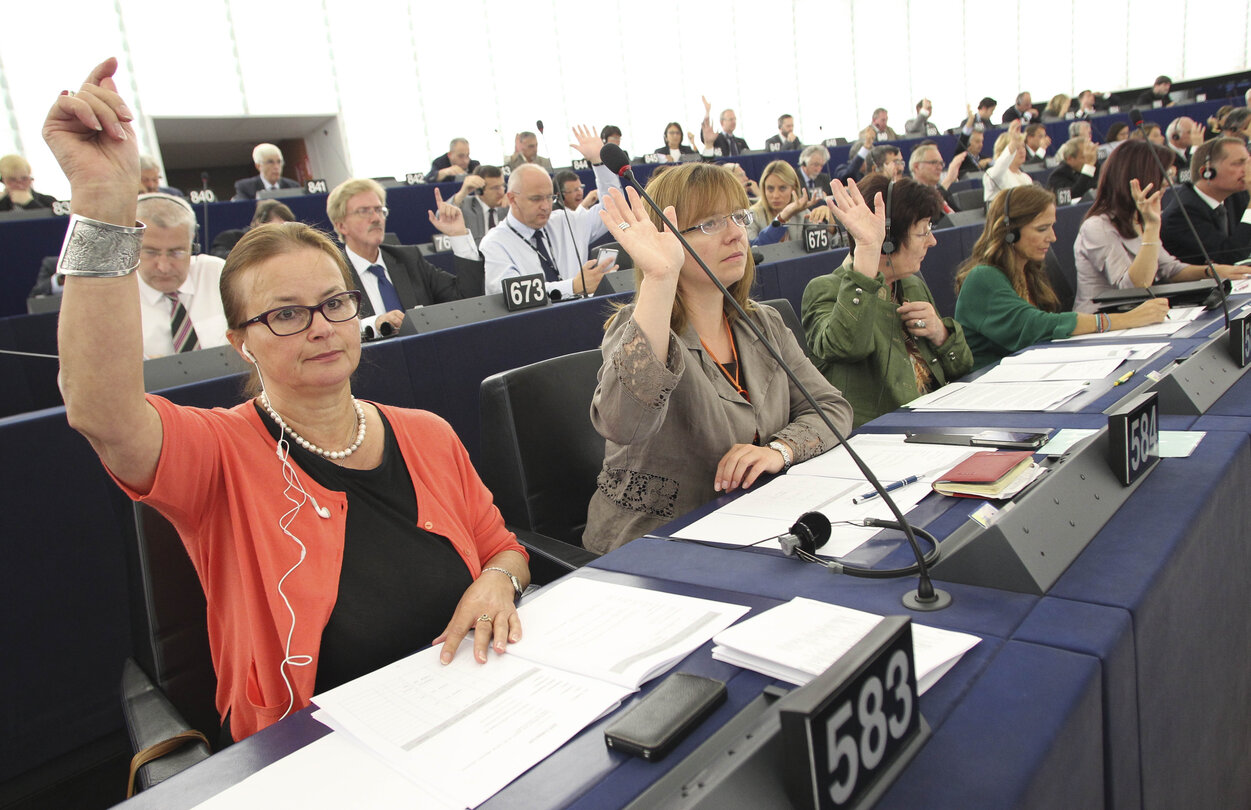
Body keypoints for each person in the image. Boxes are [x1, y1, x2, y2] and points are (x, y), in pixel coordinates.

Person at [46, 59, 530, 743]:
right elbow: (99, 409)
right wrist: (100, 201)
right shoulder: (218, 454)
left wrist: (495, 584)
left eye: (334, 302)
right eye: (285, 315)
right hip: (322, 751)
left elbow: (504, 550)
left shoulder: (426, 434)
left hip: (479, 710)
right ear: (240, 343)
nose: (322, 326)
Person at [583, 163, 852, 553]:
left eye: (738, 217)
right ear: (665, 239)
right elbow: (624, 424)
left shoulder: (762, 321)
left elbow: (831, 408)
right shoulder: (638, 328)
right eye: (710, 223)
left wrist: (779, 450)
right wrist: (660, 279)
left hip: (752, 526)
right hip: (655, 546)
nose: (735, 234)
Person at [802, 176, 972, 427]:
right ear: (888, 242)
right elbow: (847, 346)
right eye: (923, 231)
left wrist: (941, 334)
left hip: (936, 421)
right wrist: (867, 252)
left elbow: (964, 367)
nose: (932, 241)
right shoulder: (825, 289)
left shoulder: (912, 284)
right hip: (882, 440)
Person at [955, 185, 1170, 369]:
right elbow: (1037, 326)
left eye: (1052, 226)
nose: (1053, 237)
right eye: (1042, 229)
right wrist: (1130, 319)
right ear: (1010, 231)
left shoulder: (1029, 271)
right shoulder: (982, 278)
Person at [1073, 140, 1247, 312]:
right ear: (1141, 176)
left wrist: (1211, 271)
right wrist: (1151, 227)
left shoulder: (1138, 219)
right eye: (1162, 175)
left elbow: (1170, 269)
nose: (1166, 182)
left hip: (1141, 316)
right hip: (1101, 325)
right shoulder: (1097, 227)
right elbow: (1133, 288)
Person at [481, 125, 621, 297]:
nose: (546, 206)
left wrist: (600, 163)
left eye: (549, 198)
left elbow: (613, 208)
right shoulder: (496, 243)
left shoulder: (565, 221)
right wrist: (573, 287)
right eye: (536, 199)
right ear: (512, 199)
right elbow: (509, 295)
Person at [328, 178, 474, 332]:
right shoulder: (335, 275)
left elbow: (467, 299)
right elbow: (332, 330)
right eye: (364, 211)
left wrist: (458, 235)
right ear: (341, 225)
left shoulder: (408, 259)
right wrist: (372, 325)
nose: (376, 218)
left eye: (379, 210)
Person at [133, 193, 230, 357]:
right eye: (151, 252)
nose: (164, 267)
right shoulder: (116, 297)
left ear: (193, 243)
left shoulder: (217, 274)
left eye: (176, 252)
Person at [1161, 137, 1251, 265]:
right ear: (1207, 172)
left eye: (1248, 163)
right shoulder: (1182, 214)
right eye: (1238, 163)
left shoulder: (1236, 195)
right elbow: (1229, 257)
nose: (1247, 170)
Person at [745, 159, 831, 245]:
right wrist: (783, 217)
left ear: (793, 188)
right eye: (770, 189)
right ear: (763, 189)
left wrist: (829, 221)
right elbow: (754, 248)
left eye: (782, 188)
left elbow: (824, 245)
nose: (775, 195)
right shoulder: (751, 216)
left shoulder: (802, 213)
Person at [210, 199, 297, 259]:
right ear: (259, 223)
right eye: (276, 227)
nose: (281, 232)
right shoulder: (230, 238)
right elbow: (217, 259)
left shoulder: (290, 246)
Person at [452, 165, 509, 244]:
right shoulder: (466, 205)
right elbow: (441, 217)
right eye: (495, 188)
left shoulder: (509, 207)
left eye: (502, 186)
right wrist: (462, 193)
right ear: (479, 191)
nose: (501, 192)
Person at [984, 120, 1033, 203]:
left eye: (1023, 147)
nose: (1022, 151)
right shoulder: (992, 173)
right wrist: (1013, 143)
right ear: (1003, 151)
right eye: (1017, 148)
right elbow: (997, 172)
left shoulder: (1026, 178)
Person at [909, 143, 965, 213]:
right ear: (916, 167)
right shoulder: (910, 195)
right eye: (933, 162)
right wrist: (948, 180)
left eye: (941, 163)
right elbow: (927, 208)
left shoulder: (944, 194)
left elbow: (959, 217)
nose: (939, 167)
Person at [232, 143, 300, 201]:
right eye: (270, 162)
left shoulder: (293, 186)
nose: (276, 167)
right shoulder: (246, 187)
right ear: (258, 166)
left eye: (279, 162)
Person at [1048, 137, 1100, 202]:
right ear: (1070, 159)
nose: (1091, 159)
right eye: (1085, 157)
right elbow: (1073, 196)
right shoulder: (1058, 176)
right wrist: (1088, 167)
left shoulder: (1097, 167)